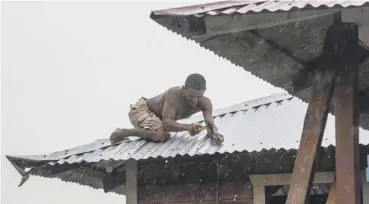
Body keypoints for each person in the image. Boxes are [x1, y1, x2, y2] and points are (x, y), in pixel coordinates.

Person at [109, 73, 223, 145]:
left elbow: (210, 124)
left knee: (165, 136)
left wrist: (214, 135)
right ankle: (125, 132)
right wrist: (188, 127)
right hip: (141, 110)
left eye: (199, 96)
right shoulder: (174, 94)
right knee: (160, 135)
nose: (195, 100)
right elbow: (167, 123)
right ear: (183, 89)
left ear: (204, 91)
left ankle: (152, 131)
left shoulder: (206, 103)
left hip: (159, 119)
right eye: (191, 96)